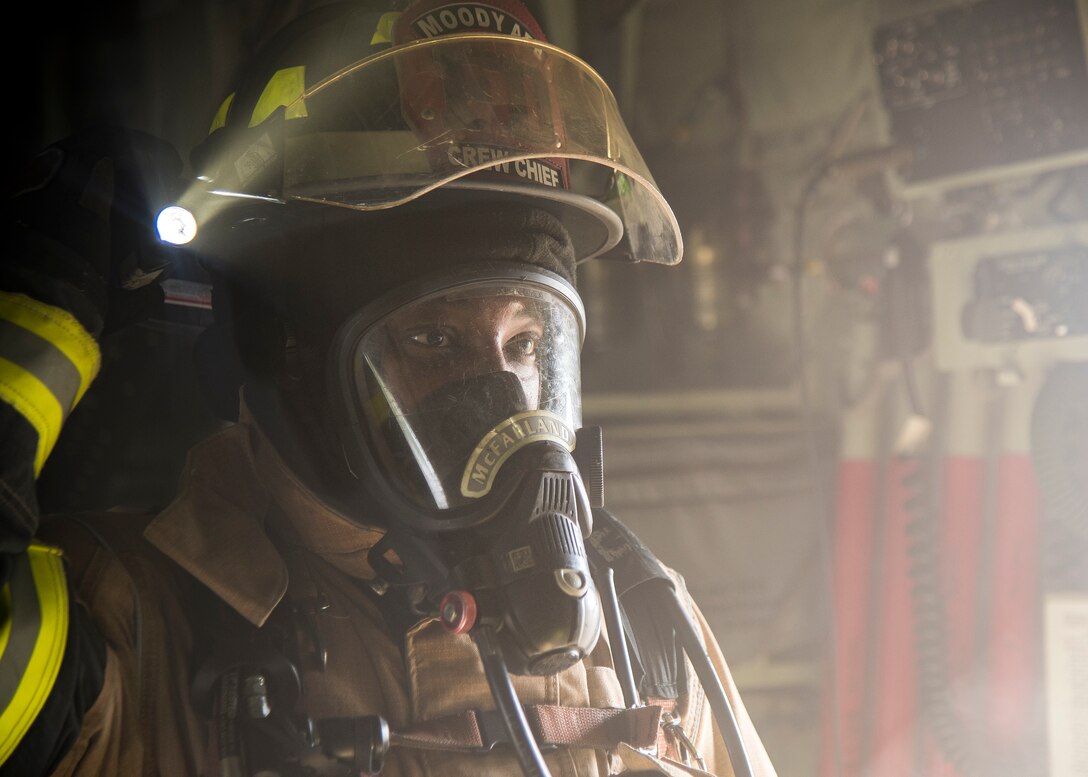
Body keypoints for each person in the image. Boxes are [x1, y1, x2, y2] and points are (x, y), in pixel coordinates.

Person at [0, 2, 778, 775]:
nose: (502, 400)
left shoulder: (644, 624)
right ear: (289, 360)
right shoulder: (122, 628)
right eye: (433, 339)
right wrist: (20, 337)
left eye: (527, 343)